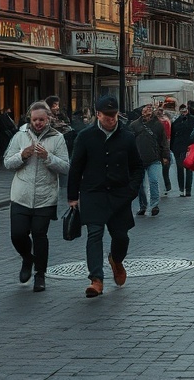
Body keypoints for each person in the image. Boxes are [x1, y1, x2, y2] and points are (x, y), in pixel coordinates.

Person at [67, 94, 144, 298]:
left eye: (114, 114)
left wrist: (132, 190)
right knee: (94, 234)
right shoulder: (85, 136)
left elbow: (137, 167)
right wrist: (72, 197)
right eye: (107, 115)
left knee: (121, 237)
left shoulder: (127, 137)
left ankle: (116, 260)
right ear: (98, 114)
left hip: (120, 195)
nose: (111, 119)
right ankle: (96, 280)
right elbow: (76, 167)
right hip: (93, 193)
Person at [3, 101, 69, 293]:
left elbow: (65, 166)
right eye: (35, 120)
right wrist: (22, 155)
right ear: (29, 119)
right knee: (17, 235)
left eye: (41, 119)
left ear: (48, 119)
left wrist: (48, 157)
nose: (38, 123)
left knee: (40, 235)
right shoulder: (20, 136)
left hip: (45, 197)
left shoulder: (57, 138)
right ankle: (27, 258)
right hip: (21, 195)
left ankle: (40, 274)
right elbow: (7, 162)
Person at [130, 103, 169, 217]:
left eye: (150, 109)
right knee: (140, 184)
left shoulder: (157, 124)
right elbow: (130, 142)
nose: (148, 111)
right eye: (146, 109)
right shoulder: (134, 125)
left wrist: (165, 156)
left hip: (154, 158)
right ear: (142, 112)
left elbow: (163, 141)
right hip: (138, 159)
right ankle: (143, 205)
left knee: (153, 181)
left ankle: (154, 205)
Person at [170, 104, 194, 198]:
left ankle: (188, 190)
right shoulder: (177, 120)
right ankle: (181, 189)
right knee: (180, 168)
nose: (183, 113)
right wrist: (172, 147)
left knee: (189, 168)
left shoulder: (192, 119)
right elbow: (173, 132)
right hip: (178, 147)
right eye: (182, 111)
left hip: (189, 147)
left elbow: (193, 130)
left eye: (185, 111)